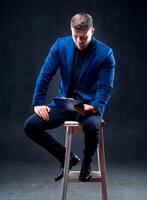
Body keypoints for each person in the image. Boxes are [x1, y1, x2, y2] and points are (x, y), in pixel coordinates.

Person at [24, 13, 116, 182]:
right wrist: (38, 102)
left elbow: (105, 88)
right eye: (75, 36)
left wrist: (95, 106)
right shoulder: (60, 45)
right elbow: (45, 74)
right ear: (71, 31)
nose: (79, 41)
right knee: (30, 126)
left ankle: (86, 164)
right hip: (64, 104)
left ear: (92, 31)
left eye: (84, 37)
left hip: (89, 106)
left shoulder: (105, 54)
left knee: (91, 127)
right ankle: (67, 157)